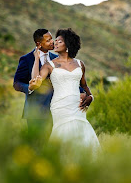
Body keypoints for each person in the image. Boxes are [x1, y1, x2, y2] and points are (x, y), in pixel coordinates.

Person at [30, 28, 100, 158]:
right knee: (64, 134)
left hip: (77, 106)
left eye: (59, 41)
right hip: (60, 106)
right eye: (55, 41)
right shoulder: (49, 65)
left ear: (67, 44)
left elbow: (84, 85)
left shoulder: (80, 64)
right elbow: (36, 81)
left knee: (81, 134)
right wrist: (36, 59)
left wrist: (91, 97)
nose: (55, 43)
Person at [13, 29, 86, 145]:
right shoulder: (27, 59)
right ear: (39, 44)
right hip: (36, 110)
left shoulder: (56, 58)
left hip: (57, 109)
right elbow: (16, 83)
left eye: (52, 39)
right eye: (48, 40)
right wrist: (30, 88)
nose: (52, 42)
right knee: (36, 145)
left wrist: (82, 92)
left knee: (56, 144)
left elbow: (69, 78)